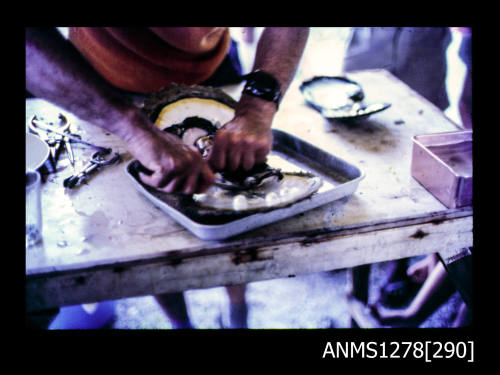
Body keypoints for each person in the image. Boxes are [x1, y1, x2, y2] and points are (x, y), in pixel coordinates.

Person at [26, 27, 310, 329]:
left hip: (212, 69)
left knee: (233, 211)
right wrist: (132, 128)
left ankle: (238, 314)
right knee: (147, 230)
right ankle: (181, 325)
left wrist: (257, 105)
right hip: (101, 86)